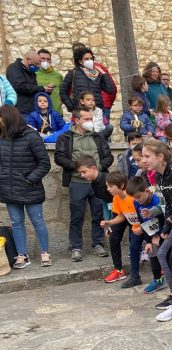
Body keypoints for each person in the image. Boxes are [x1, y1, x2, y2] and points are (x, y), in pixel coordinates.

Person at [54, 107, 113, 262]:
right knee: (76, 216)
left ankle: (98, 244)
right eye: (86, 119)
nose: (90, 122)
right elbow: (59, 157)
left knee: (98, 214)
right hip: (77, 182)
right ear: (77, 120)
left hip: (98, 182)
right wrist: (78, 168)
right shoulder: (65, 137)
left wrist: (97, 170)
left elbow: (108, 156)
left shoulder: (98, 137)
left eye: (91, 118)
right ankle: (76, 248)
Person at [0, 105, 51, 268]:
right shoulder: (1, 137)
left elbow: (44, 163)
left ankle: (45, 253)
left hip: (30, 188)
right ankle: (22, 255)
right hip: (9, 189)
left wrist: (29, 180)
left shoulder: (31, 136)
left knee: (37, 221)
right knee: (16, 222)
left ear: (8, 118)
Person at [141, 139, 172, 313]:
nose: (144, 160)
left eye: (147, 156)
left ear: (160, 157)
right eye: (143, 156)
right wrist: (167, 227)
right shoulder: (159, 175)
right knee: (166, 255)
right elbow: (167, 203)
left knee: (164, 254)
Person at [97, 169, 143, 286]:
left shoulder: (133, 198)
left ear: (121, 185)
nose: (108, 189)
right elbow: (121, 216)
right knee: (113, 238)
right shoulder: (116, 198)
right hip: (125, 217)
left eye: (111, 186)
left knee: (135, 246)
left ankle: (139, 274)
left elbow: (142, 215)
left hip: (139, 222)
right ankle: (119, 270)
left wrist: (141, 228)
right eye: (107, 186)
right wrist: (109, 223)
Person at [123, 175, 166, 291]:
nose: (137, 200)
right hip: (151, 233)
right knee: (152, 252)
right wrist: (148, 241)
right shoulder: (137, 204)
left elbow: (163, 219)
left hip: (164, 231)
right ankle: (158, 279)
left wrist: (160, 236)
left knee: (166, 256)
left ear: (146, 191)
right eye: (134, 198)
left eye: (138, 197)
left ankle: (168, 278)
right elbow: (143, 222)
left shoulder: (157, 200)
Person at [60, 47, 115, 113]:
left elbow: (110, 89)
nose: (90, 60)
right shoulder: (73, 73)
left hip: (97, 111)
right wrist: (72, 107)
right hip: (80, 112)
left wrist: (103, 73)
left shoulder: (97, 74)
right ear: (80, 61)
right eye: (86, 59)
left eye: (91, 58)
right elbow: (63, 92)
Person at [71, 42, 117, 120]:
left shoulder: (99, 68)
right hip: (82, 108)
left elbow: (111, 88)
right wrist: (72, 106)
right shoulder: (74, 72)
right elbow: (66, 91)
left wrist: (107, 103)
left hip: (102, 105)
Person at [6, 49, 53, 119]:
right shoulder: (13, 68)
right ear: (28, 59)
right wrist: (42, 88)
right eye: (36, 64)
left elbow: (33, 89)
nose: (37, 66)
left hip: (32, 109)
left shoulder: (31, 71)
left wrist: (46, 90)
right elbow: (20, 86)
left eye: (39, 64)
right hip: (20, 110)